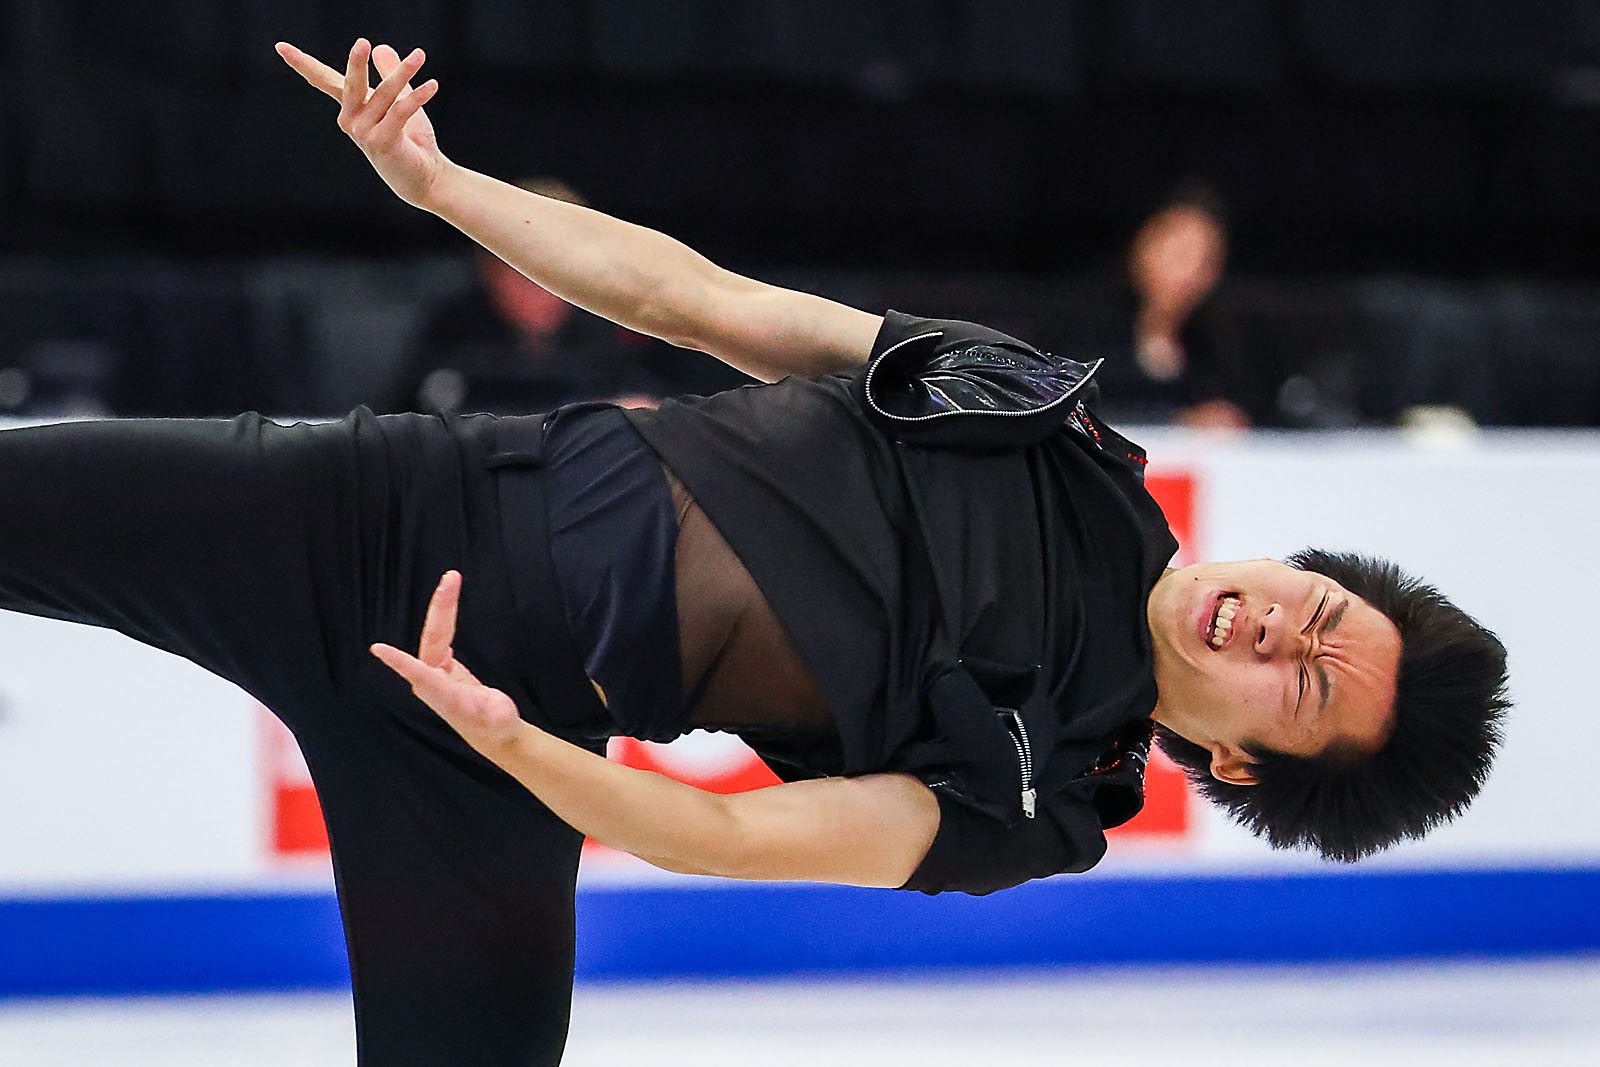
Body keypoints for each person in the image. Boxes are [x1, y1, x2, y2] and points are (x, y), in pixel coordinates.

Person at [0, 38, 1508, 1067]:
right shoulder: (1039, 410)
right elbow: (698, 300)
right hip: (380, 508)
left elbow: (711, 837)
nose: (1276, 633)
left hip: (498, 756)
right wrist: (443, 186)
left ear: (1243, 765)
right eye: (1320, 609)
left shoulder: (1039, 800)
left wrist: (506, 739)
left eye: (1306, 685)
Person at [386, 177, 748, 415]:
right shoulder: (453, 323)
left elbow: (644, 396)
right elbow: (409, 410)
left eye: (555, 273)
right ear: (491, 266)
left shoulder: (604, 326)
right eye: (524, 270)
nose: (541, 286)